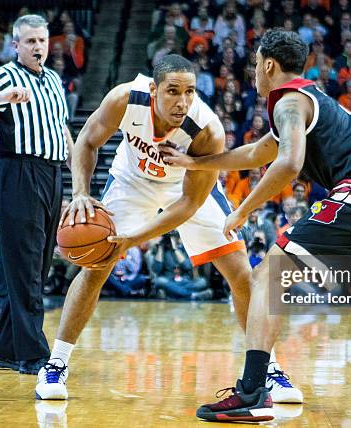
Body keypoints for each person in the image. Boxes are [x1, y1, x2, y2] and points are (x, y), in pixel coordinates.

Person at [160, 30, 351, 422]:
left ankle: (252, 393)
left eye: (255, 64)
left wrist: (243, 209)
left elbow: (287, 163)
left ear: (268, 64)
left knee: (269, 271)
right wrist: (195, 164)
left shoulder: (287, 102)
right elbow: (255, 153)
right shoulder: (309, 101)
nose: (253, 72)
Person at [34, 54, 302, 403]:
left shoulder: (207, 130)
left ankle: (269, 368)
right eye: (173, 91)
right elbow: (86, 142)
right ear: (153, 89)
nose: (183, 101)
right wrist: (81, 192)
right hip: (132, 181)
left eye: (189, 91)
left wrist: (133, 239)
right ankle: (56, 364)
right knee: (95, 266)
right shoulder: (124, 99)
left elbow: (189, 204)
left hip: (187, 188)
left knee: (240, 274)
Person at [0, 15, 74, 375]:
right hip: (18, 173)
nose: (38, 47)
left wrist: (78, 176)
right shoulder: (7, 75)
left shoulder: (54, 79)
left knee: (36, 267)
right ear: (16, 45)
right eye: (30, 42)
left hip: (52, 174)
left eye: (42, 40)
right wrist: (2, 97)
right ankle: (34, 355)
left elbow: (61, 129)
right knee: (25, 268)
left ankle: (6, 351)